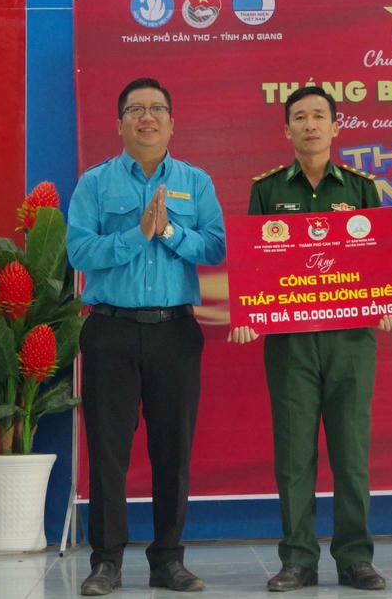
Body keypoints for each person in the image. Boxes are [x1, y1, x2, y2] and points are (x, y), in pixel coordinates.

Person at [231, 85, 392, 592]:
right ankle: (298, 561)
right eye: (300, 117)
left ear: (336, 126)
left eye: (319, 116)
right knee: (293, 456)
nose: (310, 125)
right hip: (290, 343)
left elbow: (379, 260)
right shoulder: (267, 190)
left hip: (350, 340)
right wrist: (249, 312)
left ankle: (355, 559)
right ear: (286, 129)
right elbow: (255, 261)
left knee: (351, 455)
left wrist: (388, 303)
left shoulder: (361, 188)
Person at [67, 77, 226, 596]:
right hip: (109, 330)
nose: (147, 117)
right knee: (107, 452)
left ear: (172, 123)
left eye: (157, 108)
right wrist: (138, 234)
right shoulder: (94, 183)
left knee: (172, 451)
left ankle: (168, 561)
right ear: (119, 123)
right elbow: (79, 252)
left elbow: (216, 247)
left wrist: (170, 231)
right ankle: (106, 563)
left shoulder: (196, 182)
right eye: (135, 109)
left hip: (174, 332)